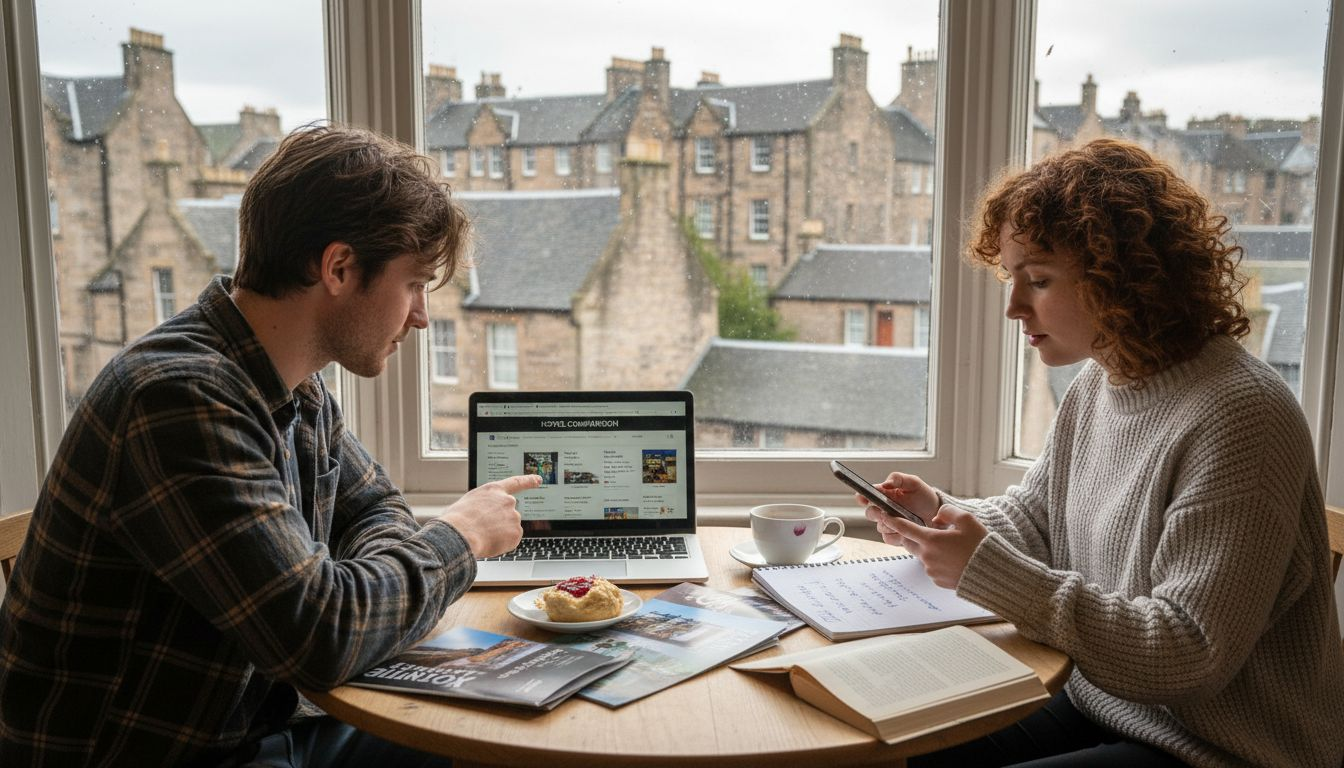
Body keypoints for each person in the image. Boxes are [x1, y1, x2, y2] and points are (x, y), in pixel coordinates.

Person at [0, 125, 540, 767]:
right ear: (339, 267)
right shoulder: (178, 399)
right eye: (415, 284)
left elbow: (374, 511)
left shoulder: (293, 383)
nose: (421, 316)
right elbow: (319, 635)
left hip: (252, 733)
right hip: (158, 755)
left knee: (500, 745)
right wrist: (461, 536)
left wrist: (367, 576)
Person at [860, 138, 1344, 767]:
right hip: (1104, 701)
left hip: (1222, 748)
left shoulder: (1240, 417)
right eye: (1013, 279)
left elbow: (1188, 654)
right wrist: (940, 516)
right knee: (897, 749)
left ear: (1125, 277)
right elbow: (1041, 520)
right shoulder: (1101, 380)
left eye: (1037, 280)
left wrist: (986, 570)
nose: (1013, 307)